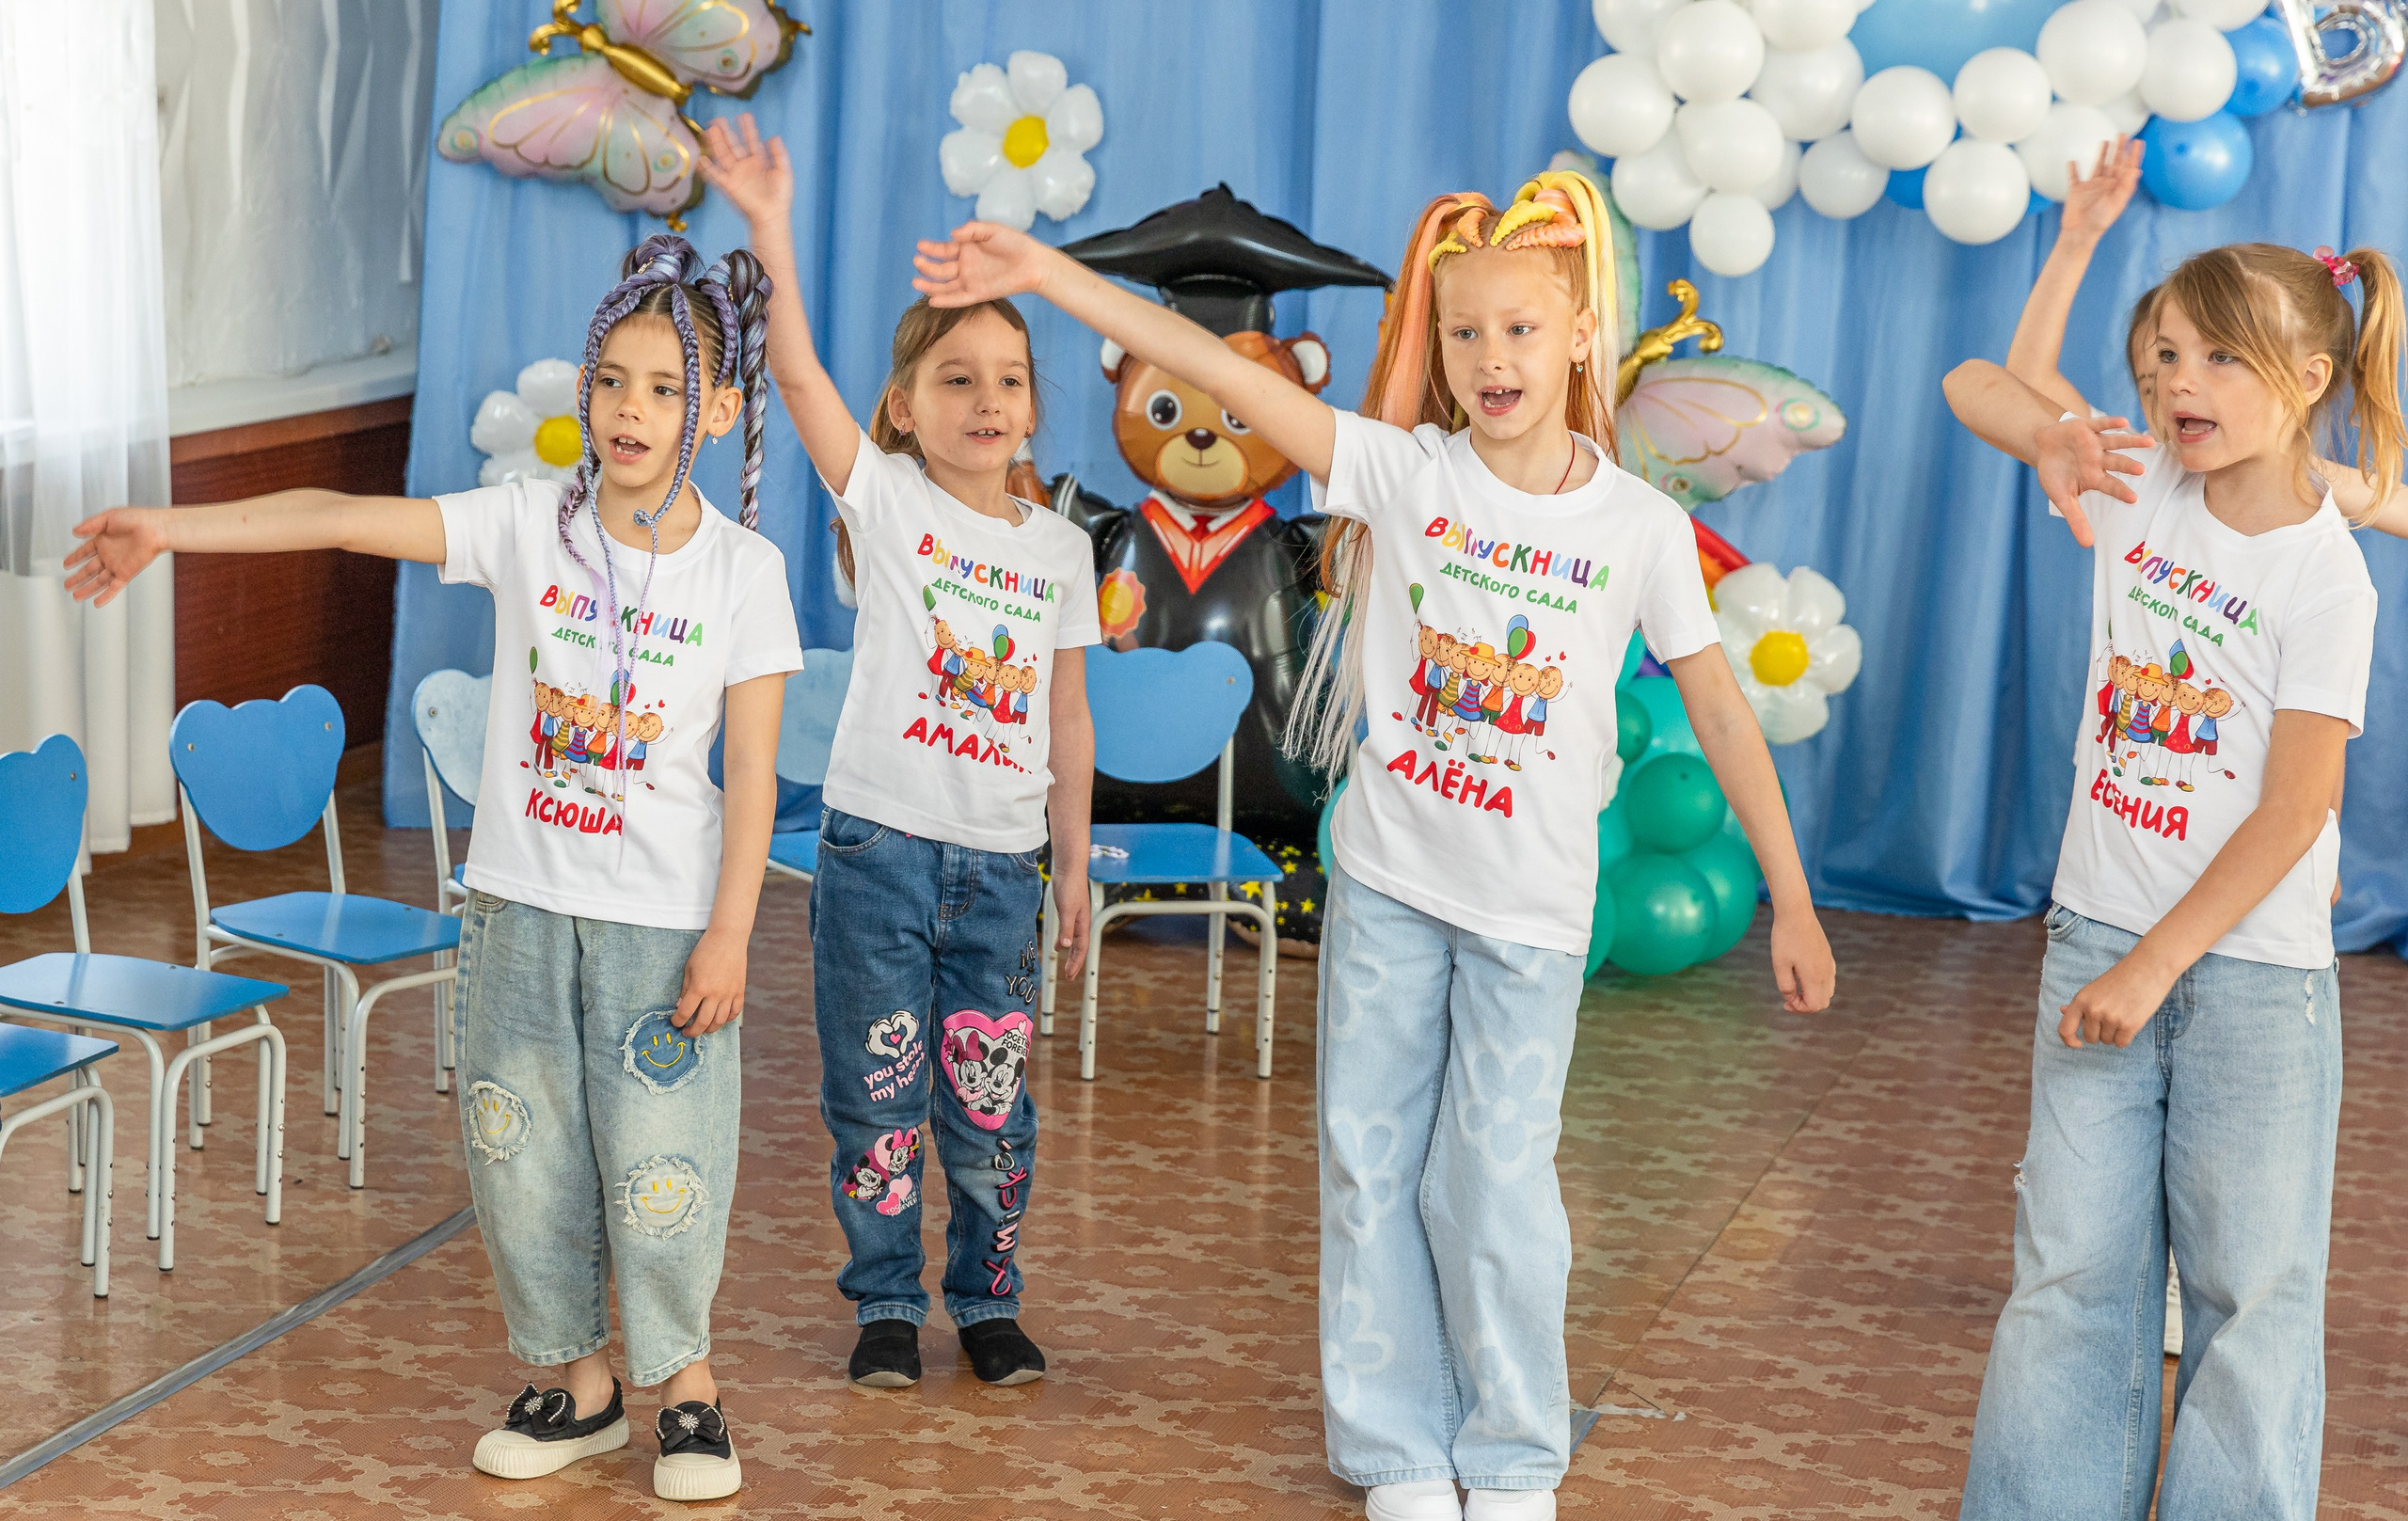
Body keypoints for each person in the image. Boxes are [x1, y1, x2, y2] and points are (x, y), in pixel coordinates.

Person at [910, 167, 1836, 1521]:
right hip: (1395, 890)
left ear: (1581, 335)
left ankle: (1514, 1451)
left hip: (1530, 912)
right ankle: (1400, 1449)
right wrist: (1048, 277)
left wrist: (1798, 902)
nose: (1493, 359)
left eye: (1522, 330)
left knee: (1499, 1177)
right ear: (1437, 351)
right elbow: (1196, 355)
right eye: (1465, 335)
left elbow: (1721, 712)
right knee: (1369, 1158)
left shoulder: (1635, 529)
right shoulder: (1398, 470)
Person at [63, 234, 798, 1504]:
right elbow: (341, 519)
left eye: (667, 386)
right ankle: (579, 1384)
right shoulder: (529, 525)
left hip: (661, 926)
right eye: (612, 378)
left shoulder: (744, 573)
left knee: (664, 1158)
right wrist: (170, 527)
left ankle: (688, 1388)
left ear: (720, 407)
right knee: (523, 1152)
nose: (631, 409)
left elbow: (755, 781)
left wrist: (731, 932)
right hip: (517, 909)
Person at [1943, 232, 2403, 1519]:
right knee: (2071, 1274)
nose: (2177, 382)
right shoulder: (2137, 488)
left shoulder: (2327, 576)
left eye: (2219, 357)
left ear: (2309, 376)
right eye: (2161, 357)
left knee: (2251, 1292)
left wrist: (2160, 964)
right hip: (2098, 940)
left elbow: (2297, 805)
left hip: (2251, 988)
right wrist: (2052, 439)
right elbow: (1974, 382)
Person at [698, 115, 1098, 1392]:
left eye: (1009, 379)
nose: (987, 400)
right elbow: (800, 377)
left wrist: (1073, 863)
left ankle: (987, 1298)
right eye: (957, 379)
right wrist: (770, 229)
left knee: (988, 1106)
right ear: (907, 409)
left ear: (1035, 405)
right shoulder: (890, 500)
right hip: (876, 849)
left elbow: (1067, 717)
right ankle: (884, 1304)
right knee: (875, 1099)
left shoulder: (1059, 548)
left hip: (1001, 864)